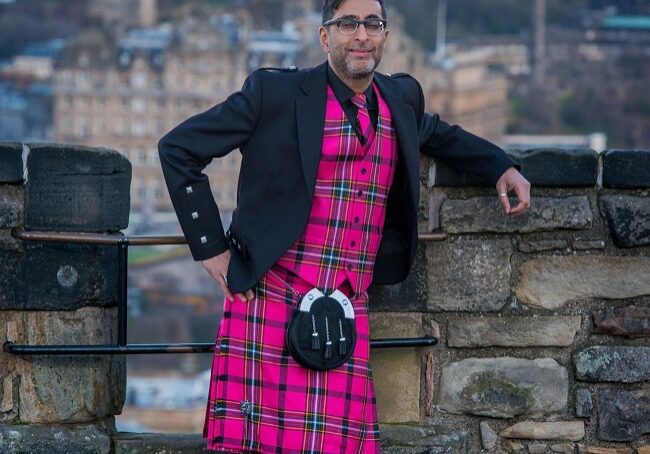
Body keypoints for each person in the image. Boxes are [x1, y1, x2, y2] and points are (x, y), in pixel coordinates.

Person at [158, 0, 531, 451]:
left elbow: (440, 135)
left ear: (384, 36)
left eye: (372, 24)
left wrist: (500, 167)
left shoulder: (400, 99)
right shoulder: (274, 95)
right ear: (324, 36)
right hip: (269, 300)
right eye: (348, 23)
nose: (361, 35)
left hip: (346, 308)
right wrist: (211, 248)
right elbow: (178, 149)